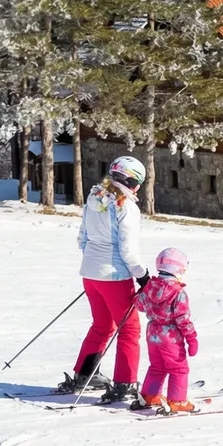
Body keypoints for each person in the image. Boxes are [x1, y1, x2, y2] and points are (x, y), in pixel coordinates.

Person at [55, 156, 149, 402]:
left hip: (90, 273)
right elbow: (128, 249)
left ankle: (85, 375)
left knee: (103, 325)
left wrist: (94, 265)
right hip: (115, 276)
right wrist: (143, 275)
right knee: (129, 330)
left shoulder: (95, 196)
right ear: (131, 181)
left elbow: (82, 237)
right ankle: (125, 383)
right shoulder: (126, 205)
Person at [133, 248, 199, 413]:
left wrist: (143, 290)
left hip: (153, 333)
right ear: (178, 270)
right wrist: (192, 339)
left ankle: (150, 395)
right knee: (178, 368)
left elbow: (139, 304)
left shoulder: (150, 287)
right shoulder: (178, 293)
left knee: (157, 366)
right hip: (170, 336)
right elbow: (183, 319)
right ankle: (177, 401)